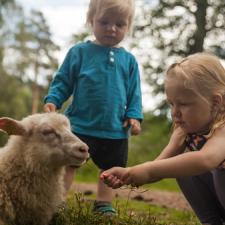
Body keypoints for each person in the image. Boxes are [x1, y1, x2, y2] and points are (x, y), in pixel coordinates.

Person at [43, 0, 143, 215]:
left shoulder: (129, 61)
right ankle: (57, 200)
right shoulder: (79, 52)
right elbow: (63, 81)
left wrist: (134, 116)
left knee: (111, 170)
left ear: (128, 26)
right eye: (104, 21)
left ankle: (104, 204)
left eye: (120, 24)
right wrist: (53, 99)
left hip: (115, 129)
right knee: (68, 163)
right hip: (80, 125)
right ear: (91, 20)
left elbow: (134, 93)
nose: (111, 28)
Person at [101, 53, 225, 224]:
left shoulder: (223, 127)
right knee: (180, 164)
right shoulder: (184, 130)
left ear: (216, 102)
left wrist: (149, 170)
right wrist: (129, 174)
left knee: (207, 166)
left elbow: (206, 159)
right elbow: (159, 165)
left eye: (184, 104)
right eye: (171, 104)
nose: (175, 112)